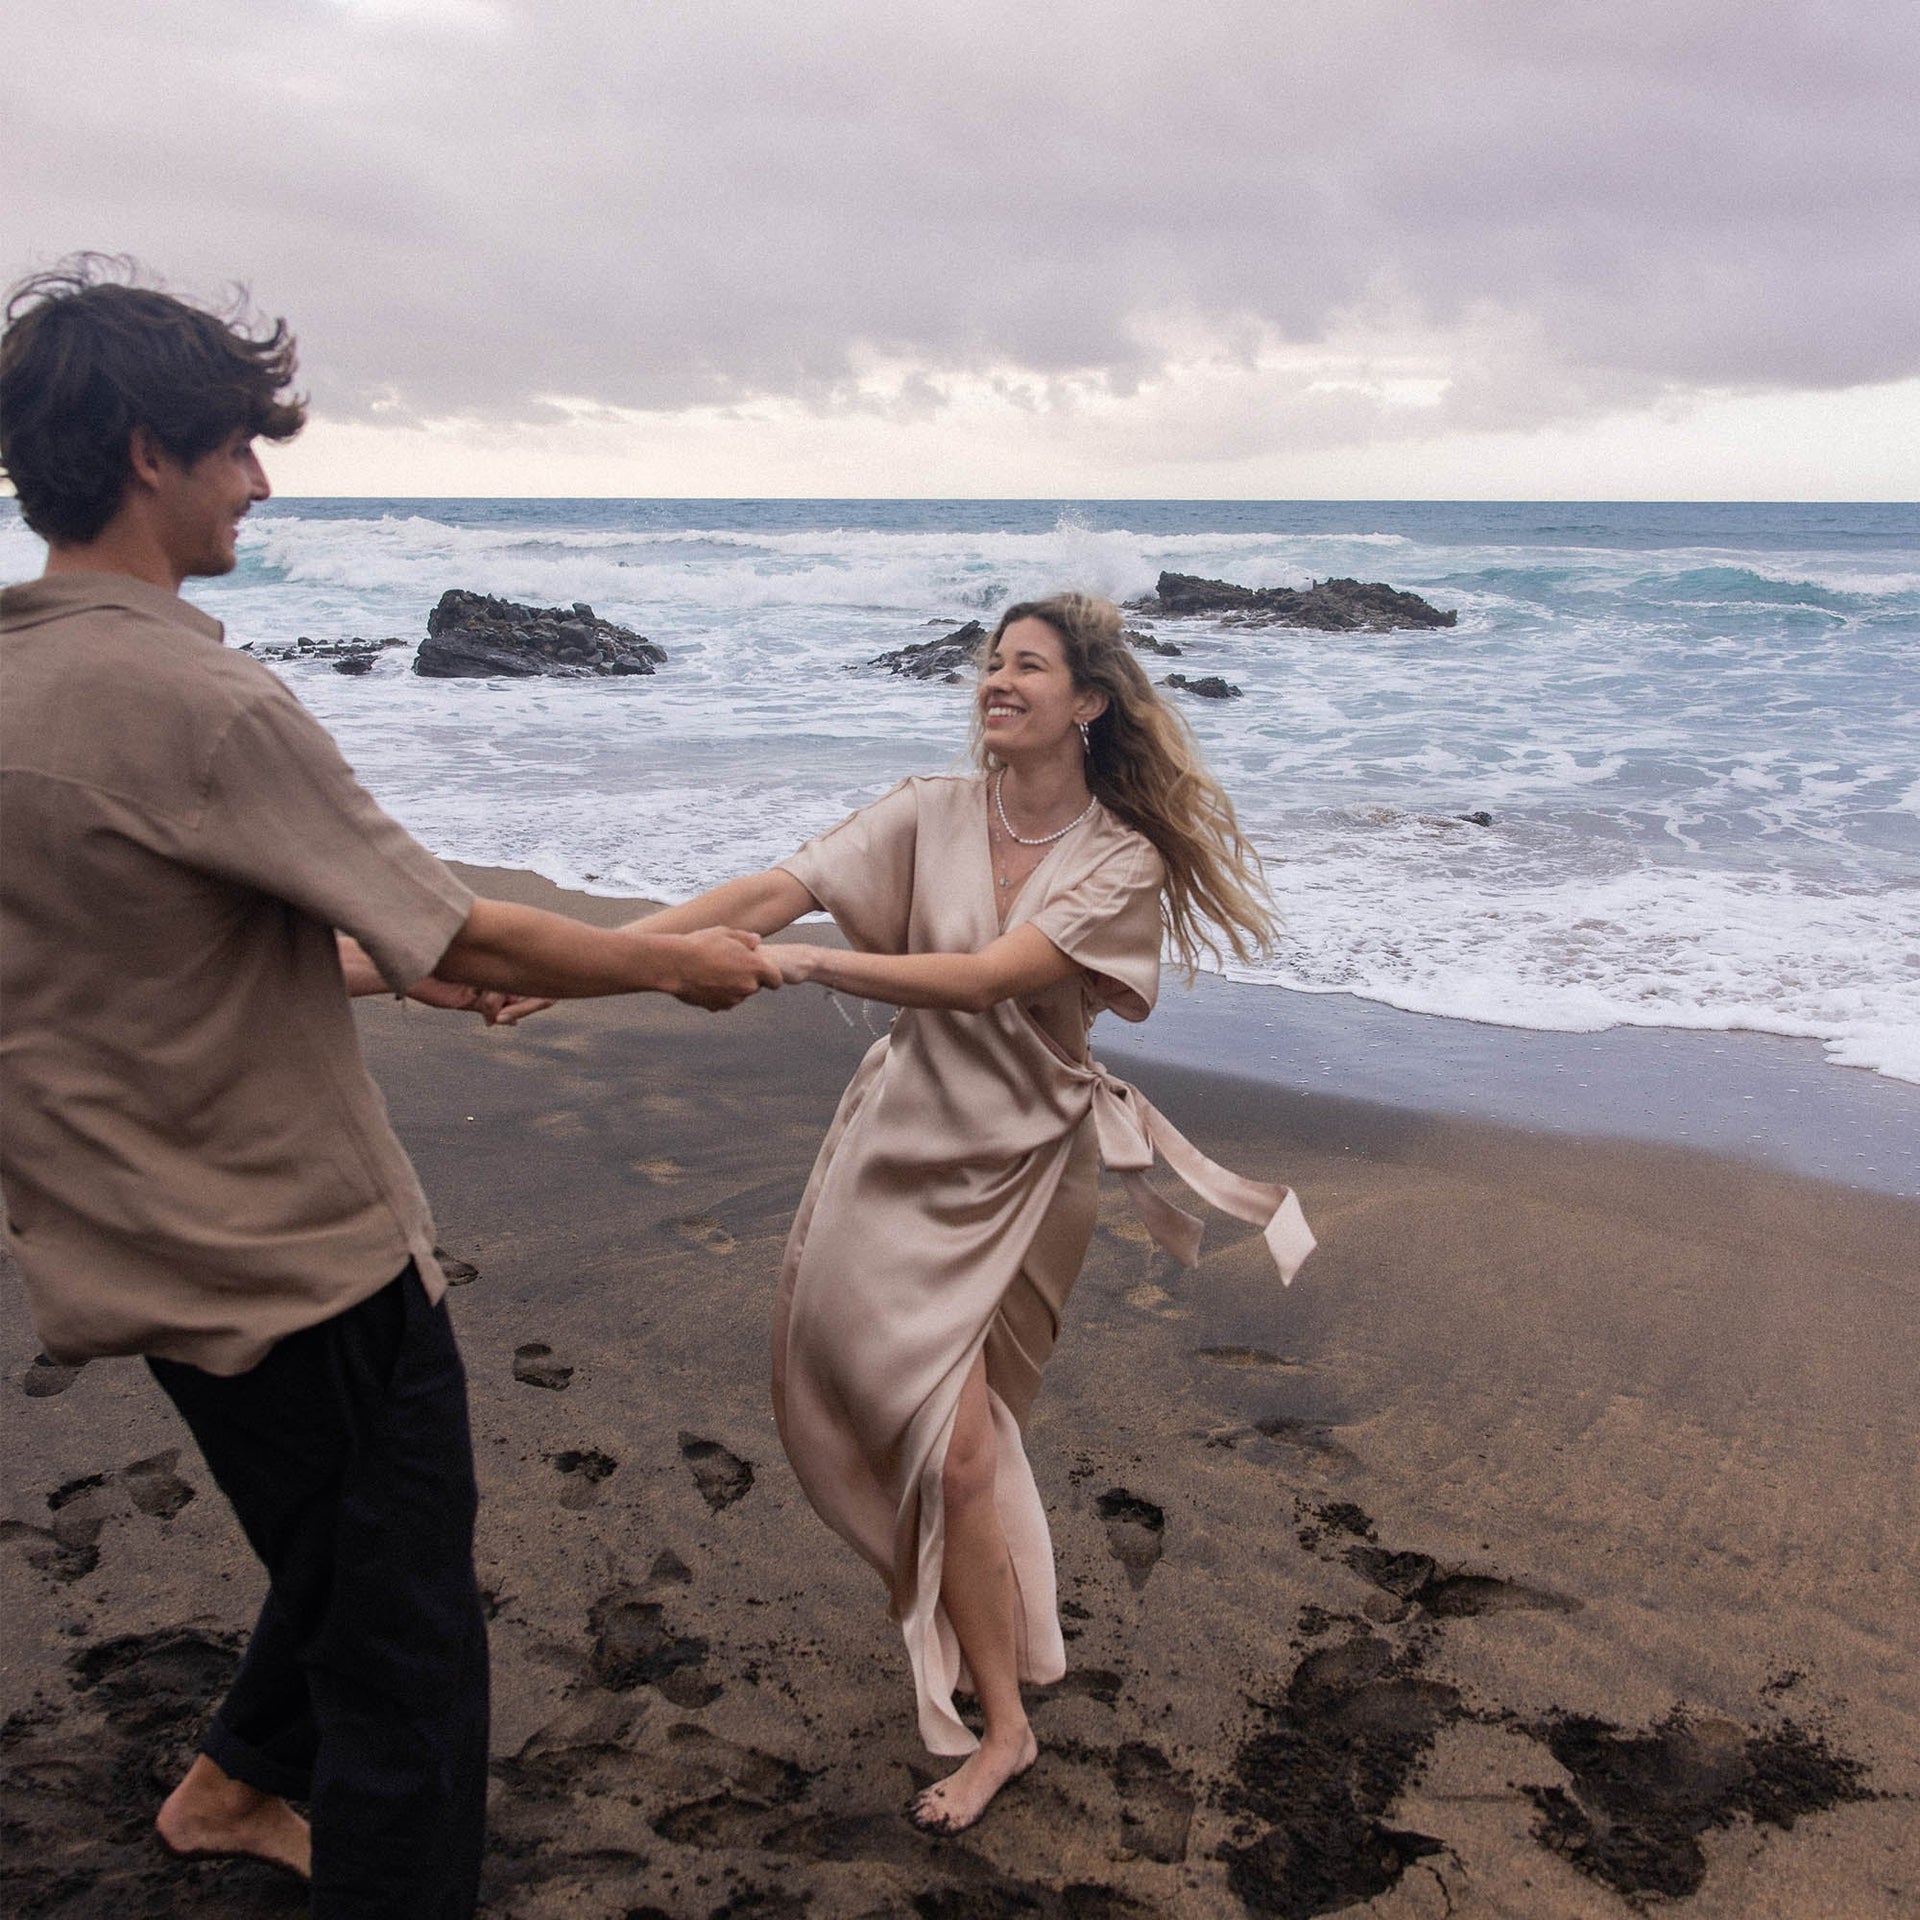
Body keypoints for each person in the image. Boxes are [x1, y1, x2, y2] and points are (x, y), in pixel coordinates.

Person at [0, 259, 781, 1917]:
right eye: (236, 448)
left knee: (336, 1546)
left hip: (122, 1244)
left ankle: (229, 1788)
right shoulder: (203, 697)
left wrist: (364, 962)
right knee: (410, 1656)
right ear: (149, 450)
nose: (260, 483)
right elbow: (458, 916)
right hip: (300, 1261)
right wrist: (666, 962)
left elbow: (124, 949)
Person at [635, 591, 1315, 1833]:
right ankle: (976, 1643)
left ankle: (1001, 1726)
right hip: (894, 1151)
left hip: (1020, 1175)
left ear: (1089, 703)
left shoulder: (1120, 858)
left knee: (965, 1447)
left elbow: (992, 978)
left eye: (1028, 667)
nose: (997, 681)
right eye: (991, 664)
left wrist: (816, 966)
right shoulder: (927, 811)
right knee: (883, 1403)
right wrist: (594, 955)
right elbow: (772, 889)